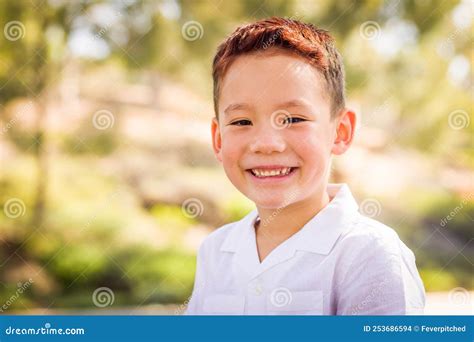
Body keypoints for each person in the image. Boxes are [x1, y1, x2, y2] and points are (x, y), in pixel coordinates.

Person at [185, 17, 425, 315]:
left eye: (293, 119)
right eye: (241, 121)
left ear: (340, 132)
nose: (266, 143)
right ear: (218, 139)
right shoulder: (215, 252)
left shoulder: (369, 255)